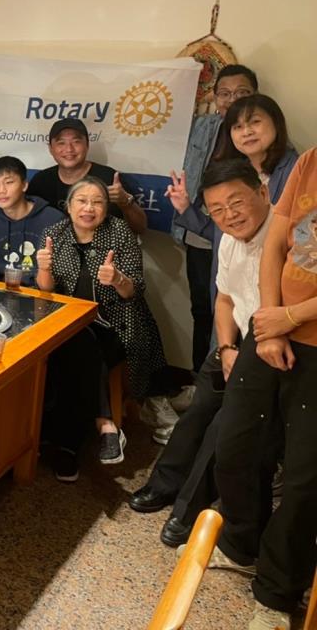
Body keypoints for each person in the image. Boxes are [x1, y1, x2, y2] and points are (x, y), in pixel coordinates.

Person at [131, 160, 278, 548]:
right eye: (217, 209)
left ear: (263, 193)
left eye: (237, 202)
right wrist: (226, 348)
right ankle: (165, 483)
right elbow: (225, 300)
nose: (229, 215)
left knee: (223, 424)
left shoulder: (287, 237)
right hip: (238, 340)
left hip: (274, 348)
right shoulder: (228, 238)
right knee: (198, 410)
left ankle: (188, 510)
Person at [207, 146, 317, 630]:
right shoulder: (310, 161)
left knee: (305, 478)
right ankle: (242, 545)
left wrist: (290, 317)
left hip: (306, 334)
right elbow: (276, 241)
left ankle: (277, 591)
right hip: (271, 326)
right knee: (235, 444)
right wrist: (271, 323)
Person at [37, 177, 167, 474]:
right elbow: (46, 289)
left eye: (97, 202)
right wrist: (43, 268)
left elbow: (134, 291)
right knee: (74, 343)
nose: (89, 208)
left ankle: (65, 443)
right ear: (68, 206)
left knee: (76, 345)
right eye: (81, 201)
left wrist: (117, 279)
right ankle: (104, 424)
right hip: (69, 325)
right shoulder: (53, 233)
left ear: (106, 210)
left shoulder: (120, 232)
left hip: (118, 324)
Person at [170, 65, 258, 373]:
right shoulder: (203, 126)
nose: (232, 100)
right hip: (200, 232)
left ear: (255, 96)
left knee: (242, 310)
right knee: (203, 309)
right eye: (224, 93)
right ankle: (201, 379)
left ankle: (233, 379)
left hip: (244, 238)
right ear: (214, 96)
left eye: (241, 93)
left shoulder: (263, 135)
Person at [27, 118, 147, 235]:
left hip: (104, 247)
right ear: (51, 149)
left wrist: (125, 202)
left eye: (76, 142)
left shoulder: (109, 178)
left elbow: (140, 228)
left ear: (87, 145)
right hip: (54, 247)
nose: (69, 149)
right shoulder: (41, 181)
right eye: (61, 143)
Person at [0, 155, 63, 284]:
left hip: (43, 291)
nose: (1, 190)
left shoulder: (54, 219)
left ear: (24, 185)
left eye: (9, 182)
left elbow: (62, 273)